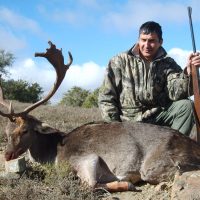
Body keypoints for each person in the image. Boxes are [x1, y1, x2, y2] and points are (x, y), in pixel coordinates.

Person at [98, 21, 200, 136]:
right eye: (143, 40)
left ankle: (174, 148)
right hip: (128, 123)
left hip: (158, 118)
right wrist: (114, 129)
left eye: (151, 41)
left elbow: (175, 93)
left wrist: (188, 73)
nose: (146, 45)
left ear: (160, 42)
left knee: (187, 106)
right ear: (138, 39)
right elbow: (106, 98)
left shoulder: (168, 63)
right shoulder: (119, 61)